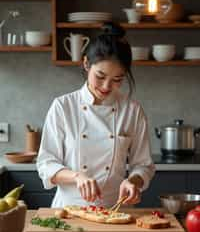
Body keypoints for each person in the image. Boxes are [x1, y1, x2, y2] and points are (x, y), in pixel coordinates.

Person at [37, 22, 155, 208]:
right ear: (86, 64)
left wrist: (134, 181)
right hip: (69, 209)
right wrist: (77, 176)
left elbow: (143, 165)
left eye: (117, 79)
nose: (107, 86)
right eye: (100, 76)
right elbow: (46, 164)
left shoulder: (132, 110)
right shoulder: (63, 106)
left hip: (116, 209)